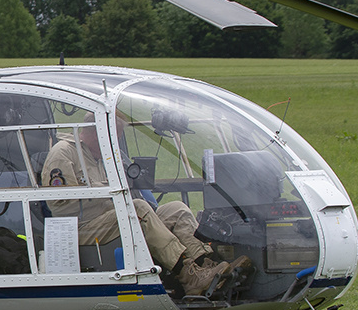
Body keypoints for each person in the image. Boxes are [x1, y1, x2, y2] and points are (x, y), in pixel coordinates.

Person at [43, 121, 240, 297]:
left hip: (110, 220)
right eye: (113, 136)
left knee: (176, 210)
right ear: (95, 132)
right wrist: (110, 195)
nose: (115, 143)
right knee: (137, 209)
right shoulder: (63, 152)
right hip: (80, 227)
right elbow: (59, 205)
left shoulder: (99, 155)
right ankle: (190, 277)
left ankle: (205, 265)